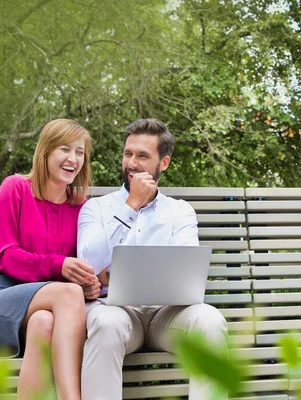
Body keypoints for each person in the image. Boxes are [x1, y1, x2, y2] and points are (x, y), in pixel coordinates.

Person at [77, 118, 228, 400]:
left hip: (165, 315)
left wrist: (113, 271)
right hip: (115, 310)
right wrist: (131, 205)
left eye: (143, 156)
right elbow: (88, 262)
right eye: (128, 153)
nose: (131, 163)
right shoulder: (96, 207)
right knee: (106, 324)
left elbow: (185, 271)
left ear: (164, 163)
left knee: (210, 321)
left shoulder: (180, 212)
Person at [0, 119, 101, 400]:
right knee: (67, 293)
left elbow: (83, 267)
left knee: (43, 322)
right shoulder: (15, 187)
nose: (73, 159)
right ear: (46, 151)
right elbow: (5, 257)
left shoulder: (82, 208)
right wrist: (60, 267)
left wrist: (91, 285)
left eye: (80, 152)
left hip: (47, 310)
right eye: (65, 149)